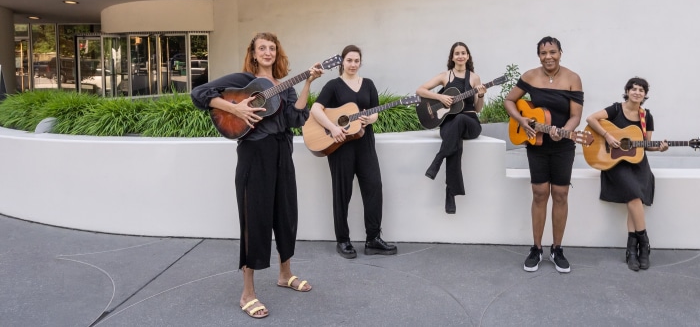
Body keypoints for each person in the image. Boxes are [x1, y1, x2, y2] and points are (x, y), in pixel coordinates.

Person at [191, 32, 323, 320]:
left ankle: (284, 274)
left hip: (281, 152)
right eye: (262, 48)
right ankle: (247, 293)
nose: (267, 52)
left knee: (286, 215)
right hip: (254, 154)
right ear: (253, 53)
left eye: (272, 48)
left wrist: (308, 83)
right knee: (255, 220)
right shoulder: (242, 81)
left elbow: (295, 119)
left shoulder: (284, 85)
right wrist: (234, 107)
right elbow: (199, 94)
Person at [504, 36, 584, 273]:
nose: (548, 57)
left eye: (553, 52)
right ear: (538, 55)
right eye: (543, 53)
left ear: (561, 52)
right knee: (539, 193)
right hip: (536, 143)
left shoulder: (572, 79)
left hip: (563, 146)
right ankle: (536, 248)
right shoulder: (530, 76)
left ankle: (557, 248)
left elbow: (576, 116)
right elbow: (510, 100)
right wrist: (521, 120)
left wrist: (565, 131)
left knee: (560, 194)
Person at [309, 44, 397, 258]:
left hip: (365, 143)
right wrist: (333, 128)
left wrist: (370, 117)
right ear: (342, 62)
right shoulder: (333, 85)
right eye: (349, 60)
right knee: (342, 193)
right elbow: (315, 109)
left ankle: (373, 239)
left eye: (356, 60)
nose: (353, 64)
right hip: (340, 147)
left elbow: (375, 111)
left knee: (374, 187)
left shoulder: (368, 84)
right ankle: (343, 240)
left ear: (360, 63)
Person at [585, 77, 668, 272]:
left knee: (635, 198)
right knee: (633, 196)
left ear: (645, 95)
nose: (637, 92)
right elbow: (591, 119)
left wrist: (660, 148)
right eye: (634, 89)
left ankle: (632, 250)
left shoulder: (646, 116)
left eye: (641, 90)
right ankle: (644, 244)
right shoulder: (616, 109)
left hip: (637, 164)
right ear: (627, 91)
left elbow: (646, 145)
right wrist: (607, 136)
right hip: (615, 163)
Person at [417, 41, 487, 214]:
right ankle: (450, 193)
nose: (461, 56)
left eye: (464, 53)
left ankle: (438, 159)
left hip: (470, 122)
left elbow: (478, 109)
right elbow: (420, 90)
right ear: (452, 57)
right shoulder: (444, 76)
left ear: (468, 56)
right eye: (457, 53)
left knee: (461, 117)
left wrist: (481, 95)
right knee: (454, 140)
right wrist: (440, 98)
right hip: (449, 123)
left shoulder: (474, 78)